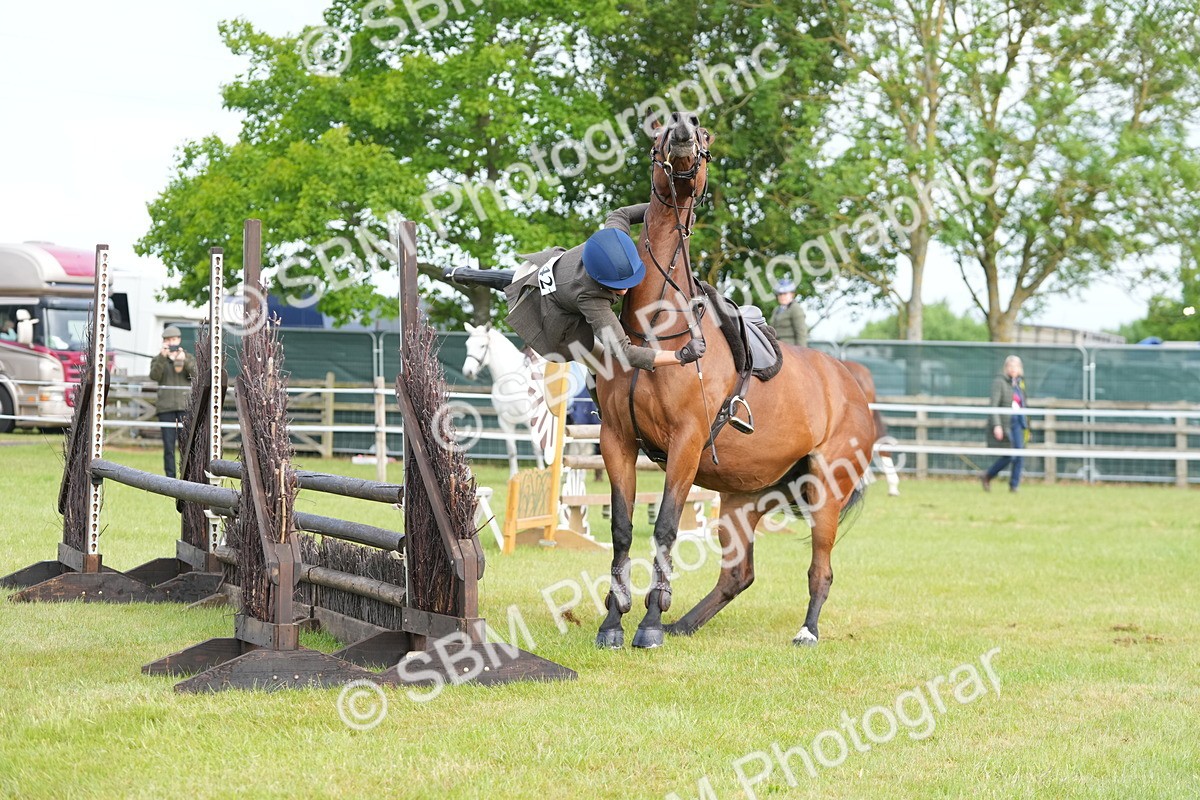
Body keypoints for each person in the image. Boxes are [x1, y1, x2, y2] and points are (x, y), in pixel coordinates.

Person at [504, 203, 705, 372]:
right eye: (618, 286)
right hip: (553, 318)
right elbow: (624, 352)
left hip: (558, 269)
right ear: (600, 282)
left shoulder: (614, 236)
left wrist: (674, 213)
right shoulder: (589, 296)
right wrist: (680, 355)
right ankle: (598, 407)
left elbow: (621, 213)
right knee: (602, 365)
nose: (625, 291)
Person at [149, 325, 196, 478]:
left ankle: (186, 475)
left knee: (186, 445)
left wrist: (184, 361)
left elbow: (196, 374)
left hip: (184, 407)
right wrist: (163, 358)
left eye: (174, 339)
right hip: (166, 408)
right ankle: (170, 478)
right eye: (168, 340)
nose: (172, 342)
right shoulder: (158, 359)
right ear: (164, 342)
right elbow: (154, 376)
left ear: (179, 340)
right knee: (169, 446)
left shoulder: (188, 357)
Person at [981, 355, 1029, 493]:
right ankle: (988, 475)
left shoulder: (1020, 384)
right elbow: (994, 405)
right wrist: (997, 425)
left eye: (1016, 366)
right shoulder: (1000, 382)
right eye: (1011, 366)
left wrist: (1027, 426)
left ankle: (1014, 485)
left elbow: (1024, 405)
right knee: (1010, 455)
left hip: (1018, 422)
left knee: (1019, 454)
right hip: (1005, 422)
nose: (1013, 369)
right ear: (1006, 368)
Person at [770, 278, 807, 347]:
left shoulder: (795, 309)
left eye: (785, 294)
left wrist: (801, 353)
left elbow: (801, 333)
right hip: (776, 346)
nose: (782, 296)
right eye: (780, 294)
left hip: (791, 348)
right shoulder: (776, 310)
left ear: (792, 294)